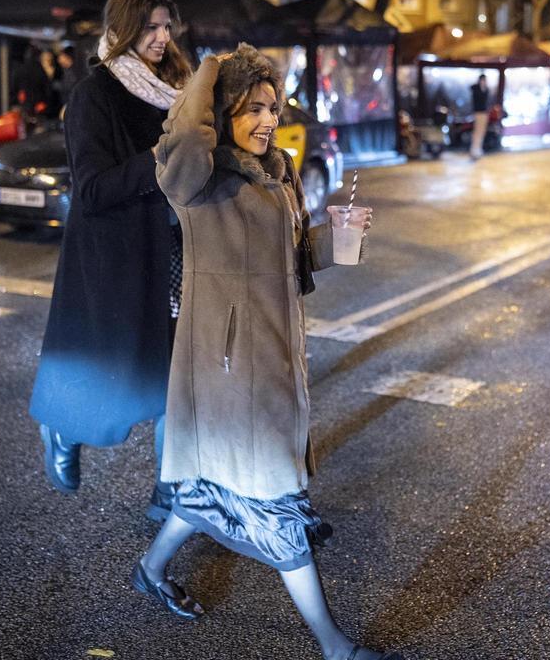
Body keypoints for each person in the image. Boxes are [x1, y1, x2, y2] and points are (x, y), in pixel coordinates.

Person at [138, 45, 397, 660]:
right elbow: (182, 141)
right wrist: (211, 70)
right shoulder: (198, 179)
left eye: (273, 108)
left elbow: (295, 260)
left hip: (273, 358)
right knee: (278, 501)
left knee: (210, 488)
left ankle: (149, 569)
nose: (267, 120)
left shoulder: (278, 171)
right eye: (252, 108)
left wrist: (339, 240)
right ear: (223, 109)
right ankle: (334, 647)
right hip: (228, 368)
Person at [29, 0, 192, 521]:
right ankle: (64, 430)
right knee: (113, 379)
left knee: (178, 377)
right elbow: (93, 190)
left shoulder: (179, 89)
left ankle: (169, 491)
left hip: (176, 254)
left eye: (166, 27)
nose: (162, 38)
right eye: (150, 28)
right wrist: (162, 156)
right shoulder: (93, 95)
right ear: (123, 28)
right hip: (118, 258)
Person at [469, 74, 490, 160]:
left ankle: (479, 148)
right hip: (478, 112)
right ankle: (474, 149)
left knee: (482, 131)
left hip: (484, 112)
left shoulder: (486, 89)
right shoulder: (475, 89)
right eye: (483, 80)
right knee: (477, 131)